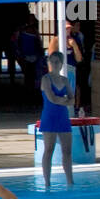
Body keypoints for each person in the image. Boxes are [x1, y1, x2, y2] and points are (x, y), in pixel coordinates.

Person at [36, 51, 74, 189]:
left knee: (67, 150)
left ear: (61, 63)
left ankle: (70, 181)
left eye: (57, 62)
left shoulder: (65, 80)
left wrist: (64, 100)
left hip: (62, 117)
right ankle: (47, 182)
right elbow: (52, 98)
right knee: (49, 149)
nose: (54, 64)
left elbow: (73, 99)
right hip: (49, 116)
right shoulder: (46, 79)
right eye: (51, 62)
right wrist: (64, 100)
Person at [46, 20, 84, 104]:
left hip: (71, 69)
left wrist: (74, 45)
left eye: (69, 29)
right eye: (66, 29)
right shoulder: (55, 40)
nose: (68, 31)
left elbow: (79, 59)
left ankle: (71, 113)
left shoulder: (73, 40)